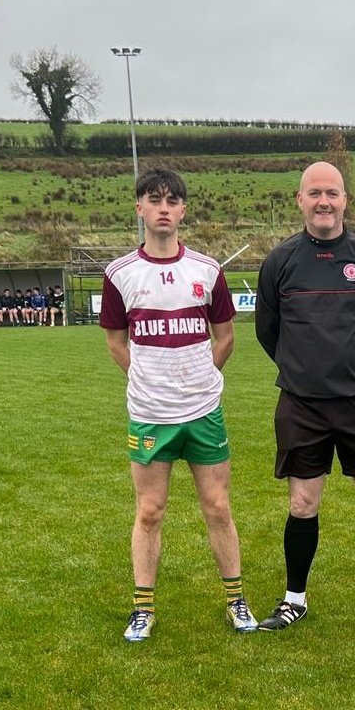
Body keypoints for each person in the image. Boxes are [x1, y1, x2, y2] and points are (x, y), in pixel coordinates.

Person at [255, 161, 355, 631]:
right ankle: (294, 599)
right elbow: (269, 333)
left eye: (332, 193)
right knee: (302, 503)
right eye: (314, 193)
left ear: (345, 200)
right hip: (302, 404)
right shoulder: (280, 262)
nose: (324, 201)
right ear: (300, 200)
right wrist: (307, 370)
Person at [99, 167, 257, 641]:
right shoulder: (120, 274)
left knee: (218, 507)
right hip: (150, 415)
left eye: (173, 200)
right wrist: (149, 381)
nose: (164, 208)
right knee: (149, 511)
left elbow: (225, 338)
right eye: (154, 199)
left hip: (204, 411)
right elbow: (115, 343)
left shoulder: (207, 272)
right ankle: (143, 608)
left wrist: (202, 378)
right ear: (140, 208)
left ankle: (236, 601)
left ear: (183, 210)